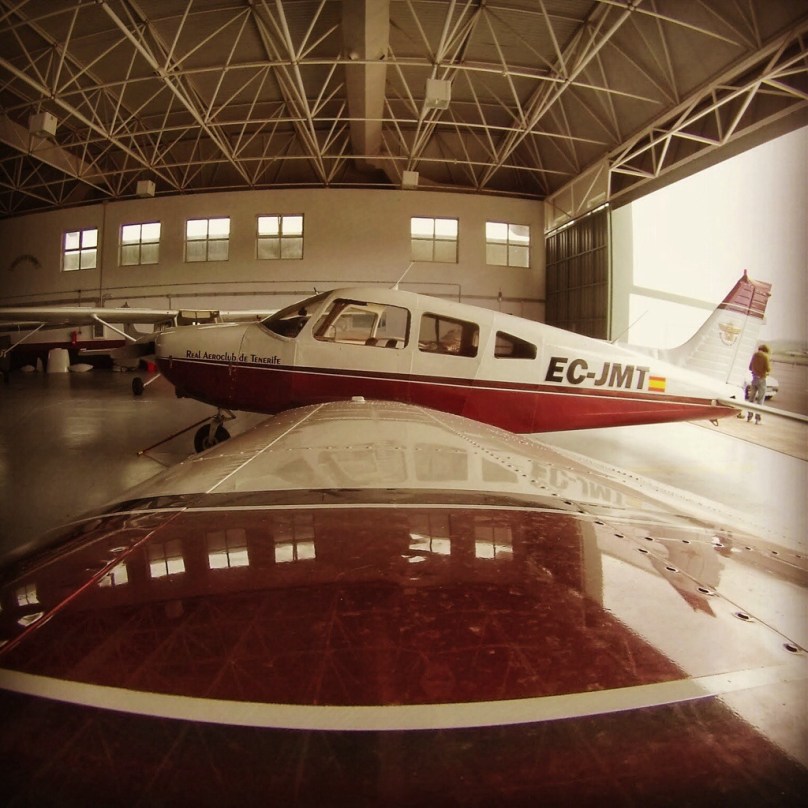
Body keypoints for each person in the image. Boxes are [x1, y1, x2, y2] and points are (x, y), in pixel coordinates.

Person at [746, 344, 771, 424]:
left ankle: (749, 417)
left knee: (751, 398)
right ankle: (757, 419)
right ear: (765, 350)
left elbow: (750, 367)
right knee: (760, 399)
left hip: (754, 379)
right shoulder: (765, 356)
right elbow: (768, 369)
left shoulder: (754, 355)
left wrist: (755, 369)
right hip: (762, 379)